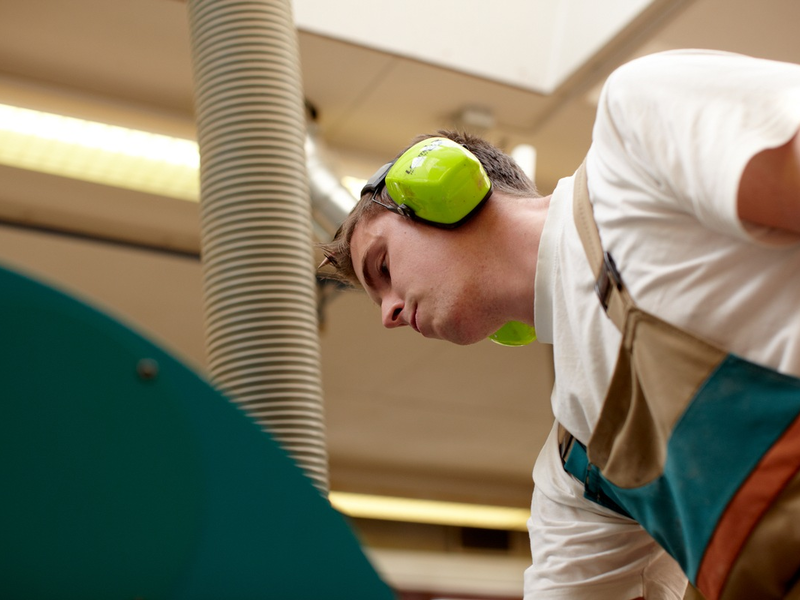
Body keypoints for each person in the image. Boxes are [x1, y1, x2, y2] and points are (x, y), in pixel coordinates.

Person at [319, 49, 800, 599]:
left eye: (382, 267)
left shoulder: (635, 141)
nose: (390, 316)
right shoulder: (576, 469)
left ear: (439, 186)